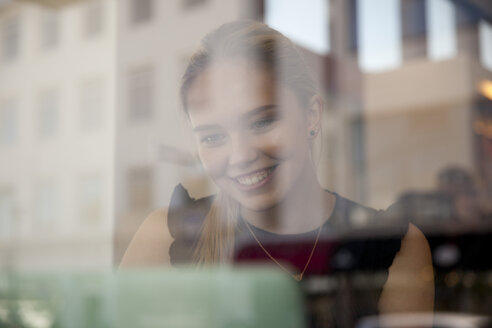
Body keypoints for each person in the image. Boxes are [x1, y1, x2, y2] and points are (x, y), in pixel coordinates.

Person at [120, 20, 434, 324]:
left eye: (262, 122)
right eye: (213, 137)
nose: (241, 155)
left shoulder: (394, 246)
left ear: (311, 115)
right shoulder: (166, 237)